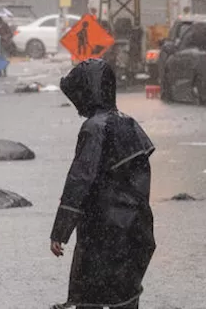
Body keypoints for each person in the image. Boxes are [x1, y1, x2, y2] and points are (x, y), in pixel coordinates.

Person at [51, 59, 156, 309]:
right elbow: (141, 180)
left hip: (103, 230)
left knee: (90, 294)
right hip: (135, 226)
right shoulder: (129, 124)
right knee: (125, 293)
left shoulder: (94, 128)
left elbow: (80, 180)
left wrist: (60, 231)